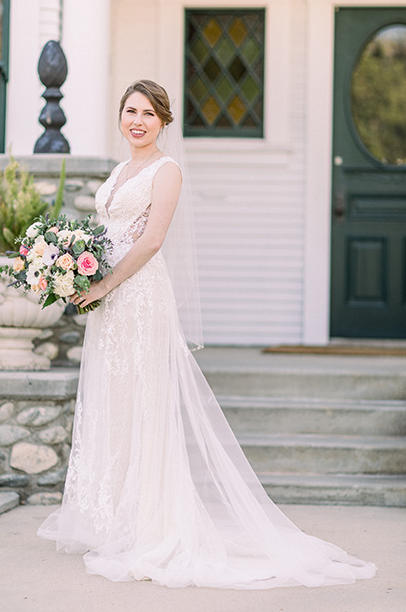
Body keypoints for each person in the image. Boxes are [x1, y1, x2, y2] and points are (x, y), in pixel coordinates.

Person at [38, 79, 377, 589]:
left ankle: (150, 524)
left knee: (145, 406)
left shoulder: (165, 171)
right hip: (107, 304)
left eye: (148, 114)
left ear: (164, 122)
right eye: (130, 111)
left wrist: (103, 283)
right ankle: (115, 519)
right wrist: (73, 269)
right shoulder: (117, 171)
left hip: (139, 298)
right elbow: (103, 233)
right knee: (115, 403)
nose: (138, 120)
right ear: (120, 117)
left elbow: (152, 240)